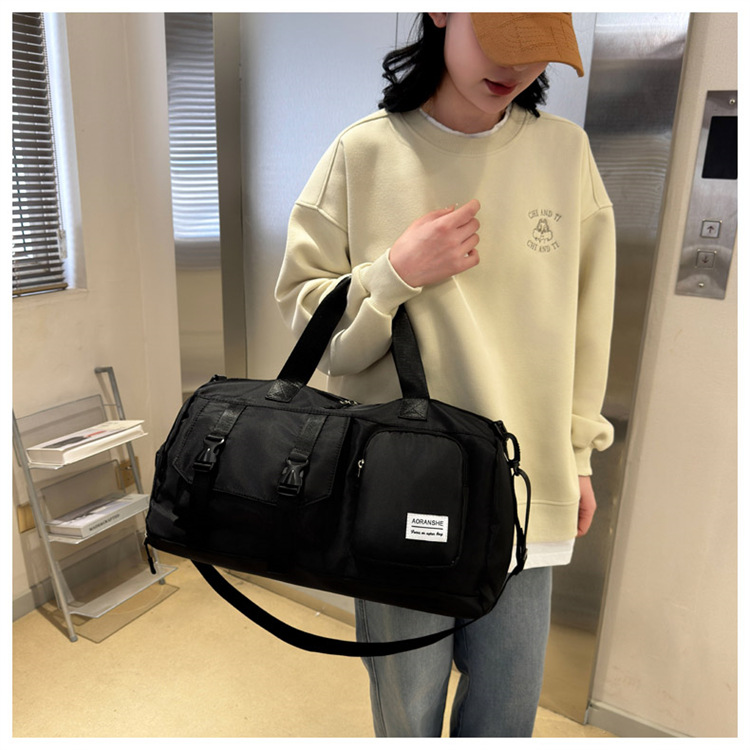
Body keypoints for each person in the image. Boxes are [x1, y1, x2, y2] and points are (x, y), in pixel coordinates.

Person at [275, 12, 615, 738]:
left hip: (526, 486)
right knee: (409, 710)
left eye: (537, 50)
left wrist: (580, 454)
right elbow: (311, 326)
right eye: (499, 38)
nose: (515, 68)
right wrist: (394, 274)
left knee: (506, 711)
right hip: (395, 488)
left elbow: (589, 323)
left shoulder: (565, 152)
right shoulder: (363, 153)